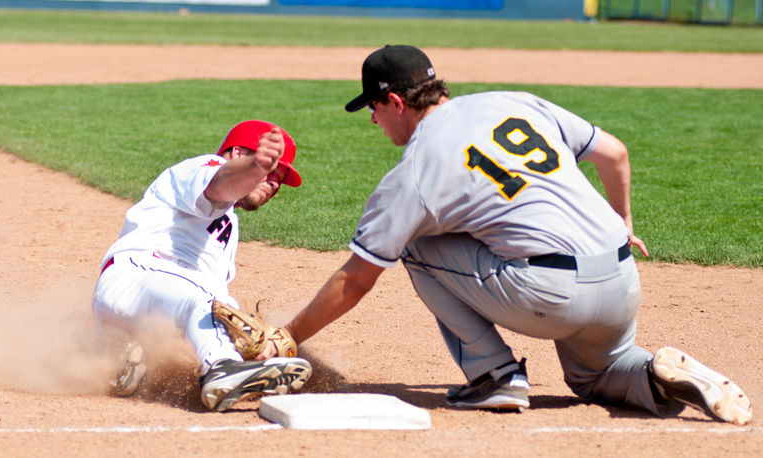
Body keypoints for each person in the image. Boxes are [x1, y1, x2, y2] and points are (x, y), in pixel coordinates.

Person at [266, 45, 752, 425]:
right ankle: (656, 374)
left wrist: (287, 337)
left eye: (374, 107)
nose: (372, 119)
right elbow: (615, 154)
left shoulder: (415, 168)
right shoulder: (513, 101)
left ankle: (494, 375)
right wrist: (623, 222)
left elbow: (356, 279)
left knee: (411, 242)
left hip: (550, 294)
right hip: (622, 281)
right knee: (599, 376)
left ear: (396, 102)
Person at [92, 120, 312, 412]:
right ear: (236, 154)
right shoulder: (202, 167)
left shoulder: (229, 228)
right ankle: (222, 368)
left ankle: (131, 361)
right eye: (272, 170)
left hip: (147, 313)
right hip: (136, 276)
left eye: (279, 177)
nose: (273, 182)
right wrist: (255, 168)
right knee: (211, 303)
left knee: (224, 314)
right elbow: (220, 185)